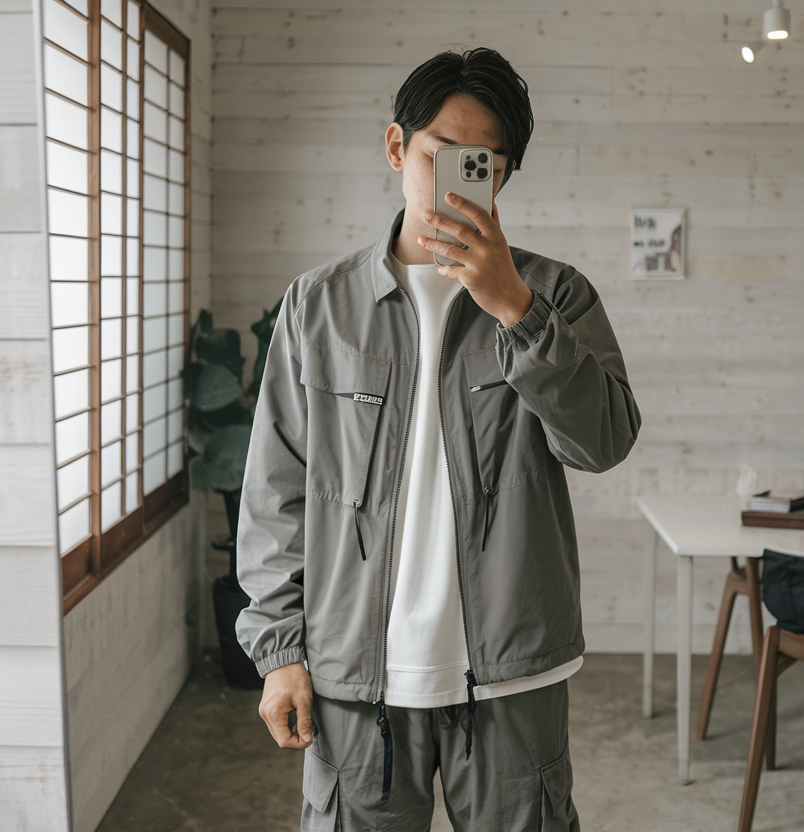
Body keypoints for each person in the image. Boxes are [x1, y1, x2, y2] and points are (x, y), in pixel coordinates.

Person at [235, 47, 641, 832]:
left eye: (480, 161)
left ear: (504, 172)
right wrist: (281, 651)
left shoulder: (554, 295)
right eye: (439, 155)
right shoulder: (318, 307)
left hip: (512, 681)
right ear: (397, 147)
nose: (457, 177)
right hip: (355, 681)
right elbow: (275, 492)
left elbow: (603, 442)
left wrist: (515, 311)